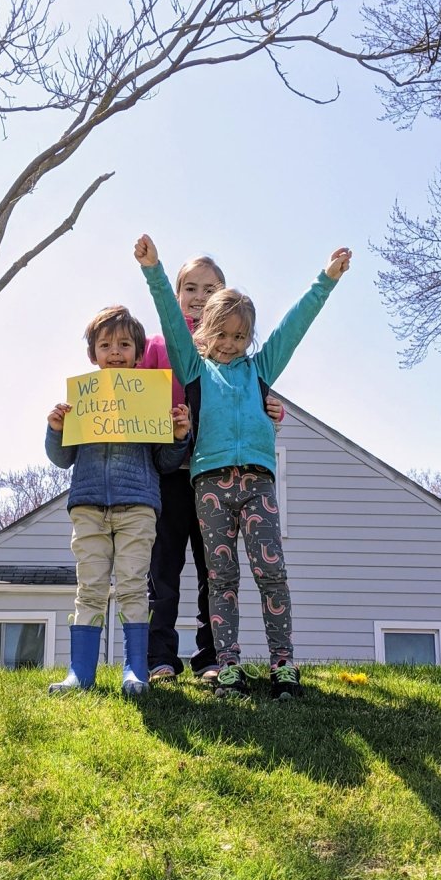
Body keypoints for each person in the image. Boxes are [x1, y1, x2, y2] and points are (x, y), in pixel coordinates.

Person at [134, 235, 351, 700]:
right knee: (219, 576)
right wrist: (154, 269)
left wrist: (326, 280)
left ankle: (281, 664)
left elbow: (294, 327)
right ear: (204, 330)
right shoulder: (192, 368)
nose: (230, 344)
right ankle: (222, 664)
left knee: (270, 573)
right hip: (204, 483)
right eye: (221, 334)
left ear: (248, 337)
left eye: (239, 336)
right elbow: (170, 319)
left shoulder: (259, 369)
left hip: (257, 484)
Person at [139, 254, 285, 684]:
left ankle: (210, 657)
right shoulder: (161, 345)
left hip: (214, 474)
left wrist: (270, 408)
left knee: (212, 570)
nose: (199, 297)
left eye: (210, 289)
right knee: (162, 568)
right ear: (178, 293)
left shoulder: (228, 347)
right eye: (191, 289)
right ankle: (160, 656)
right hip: (169, 468)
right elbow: (134, 399)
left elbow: (248, 397)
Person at [45, 304, 191, 697]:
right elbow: (61, 459)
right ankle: (81, 673)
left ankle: (135, 670)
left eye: (124, 344)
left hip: (138, 507)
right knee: (89, 586)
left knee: (131, 586)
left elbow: (164, 461)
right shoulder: (81, 401)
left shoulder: (149, 400)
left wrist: (178, 436)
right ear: (92, 354)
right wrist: (56, 429)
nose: (115, 352)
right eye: (105, 344)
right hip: (89, 505)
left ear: (139, 354)